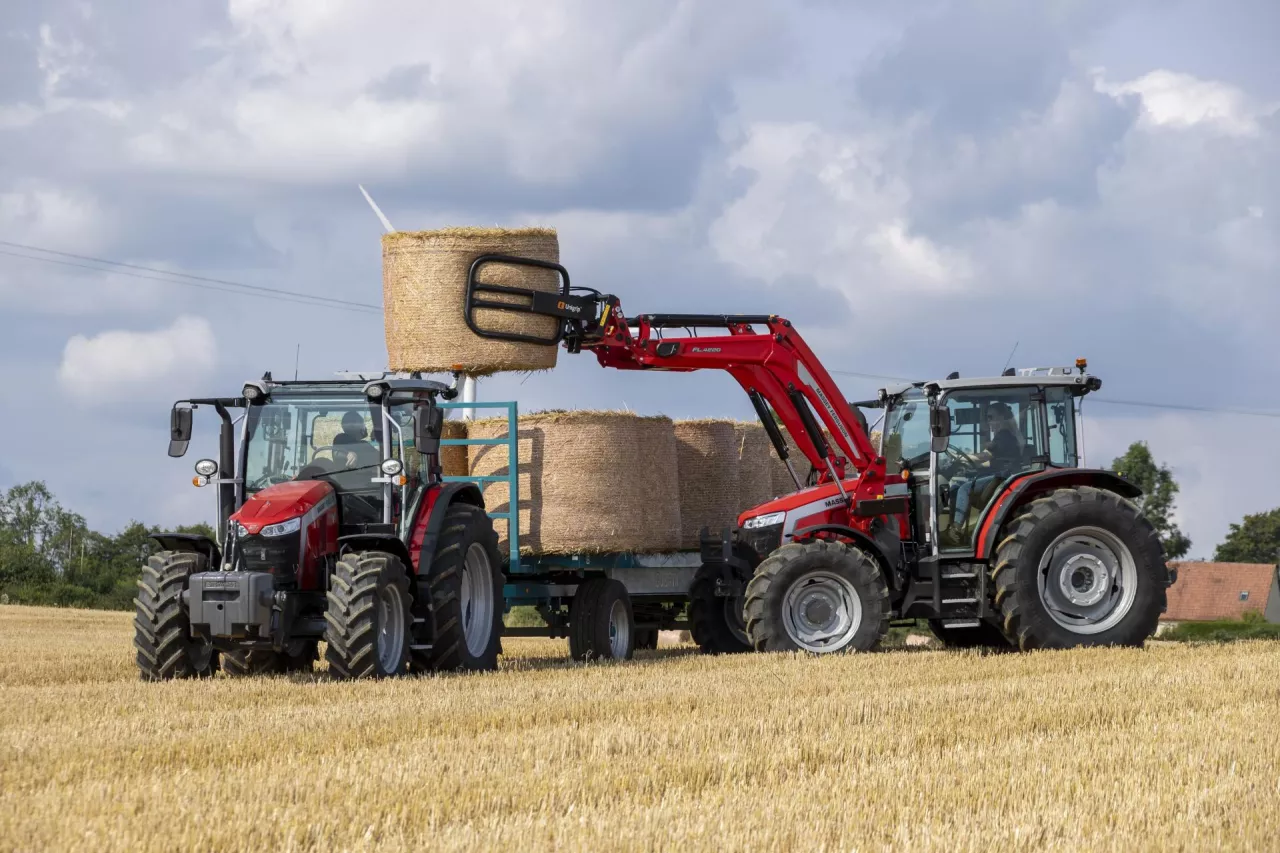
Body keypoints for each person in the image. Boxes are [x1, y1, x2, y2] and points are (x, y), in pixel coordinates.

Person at [948, 402, 1022, 532]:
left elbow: (984, 456)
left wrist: (959, 457)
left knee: (964, 489)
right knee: (955, 485)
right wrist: (968, 461)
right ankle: (954, 526)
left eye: (991, 417)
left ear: (1002, 417)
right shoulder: (1005, 436)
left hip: (1002, 476)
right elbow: (991, 461)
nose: (988, 422)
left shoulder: (1003, 436)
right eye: (987, 418)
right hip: (1000, 473)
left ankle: (956, 529)